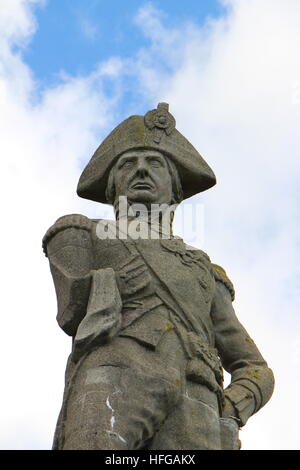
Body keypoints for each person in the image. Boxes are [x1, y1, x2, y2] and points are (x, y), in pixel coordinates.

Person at [43, 103, 274, 450]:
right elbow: (72, 312)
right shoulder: (84, 233)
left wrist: (230, 408)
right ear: (112, 187)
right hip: (114, 381)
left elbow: (254, 367)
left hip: (197, 403)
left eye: (154, 164)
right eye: (127, 164)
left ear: (175, 188)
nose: (140, 171)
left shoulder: (205, 271)